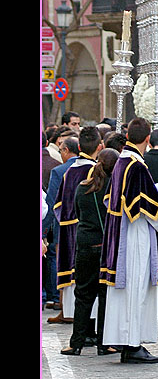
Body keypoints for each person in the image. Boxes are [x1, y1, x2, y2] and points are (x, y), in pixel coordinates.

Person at [99, 118, 158, 364]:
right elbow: (147, 205)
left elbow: (125, 196)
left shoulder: (122, 161)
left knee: (129, 291)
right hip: (135, 235)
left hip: (122, 232)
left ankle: (128, 342)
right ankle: (133, 344)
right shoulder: (135, 165)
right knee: (136, 289)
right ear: (147, 139)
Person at [61, 148, 120, 356]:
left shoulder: (82, 187)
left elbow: (77, 213)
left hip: (86, 243)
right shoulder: (115, 189)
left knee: (83, 294)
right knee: (105, 295)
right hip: (106, 246)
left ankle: (76, 342)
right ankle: (105, 343)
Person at [52, 127, 103, 330]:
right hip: (91, 233)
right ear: (99, 147)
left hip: (71, 233)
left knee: (79, 286)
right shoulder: (96, 171)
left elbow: (58, 205)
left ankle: (80, 329)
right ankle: (90, 328)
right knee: (92, 283)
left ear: (79, 147)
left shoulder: (69, 171)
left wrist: (69, 221)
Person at [42, 135, 80, 315]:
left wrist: (43, 229)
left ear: (66, 150)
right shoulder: (91, 167)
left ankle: (63, 305)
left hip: (63, 224)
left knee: (63, 263)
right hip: (85, 225)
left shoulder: (60, 171)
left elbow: (50, 203)